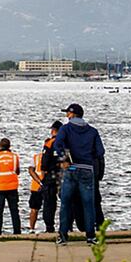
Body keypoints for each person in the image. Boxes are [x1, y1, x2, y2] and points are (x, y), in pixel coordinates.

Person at [54, 103, 105, 245]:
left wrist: (64, 157)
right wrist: (88, 155)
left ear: (72, 114)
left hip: (71, 169)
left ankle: (63, 236)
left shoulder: (65, 129)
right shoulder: (93, 131)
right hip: (87, 169)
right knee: (89, 204)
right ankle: (90, 236)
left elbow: (57, 145)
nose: (66, 116)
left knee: (66, 203)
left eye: (67, 113)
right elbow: (100, 152)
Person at [0, 138, 21, 235]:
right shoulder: (15, 157)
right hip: (12, 187)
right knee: (14, 211)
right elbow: (17, 171)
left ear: (0, 146)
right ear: (9, 146)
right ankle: (17, 232)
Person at [39, 120, 63, 233]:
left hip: (51, 176)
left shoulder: (49, 143)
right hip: (64, 174)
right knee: (67, 201)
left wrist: (43, 178)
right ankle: (67, 226)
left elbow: (44, 162)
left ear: (53, 130)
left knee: (49, 202)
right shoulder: (66, 142)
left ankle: (49, 227)